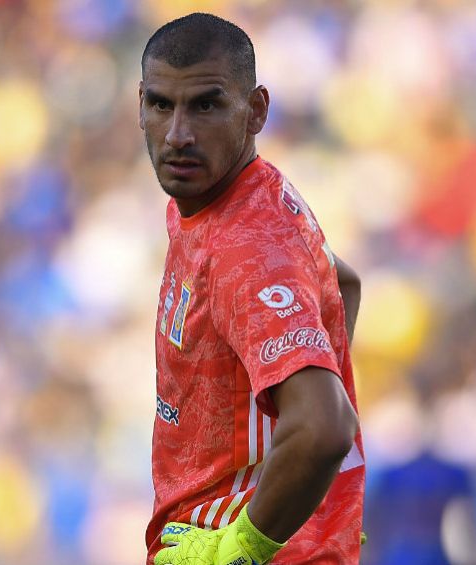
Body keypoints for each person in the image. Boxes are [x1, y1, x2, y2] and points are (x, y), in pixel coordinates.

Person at [140, 12, 366, 565]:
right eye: (161, 105)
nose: (178, 134)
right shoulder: (222, 201)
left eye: (207, 105)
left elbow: (323, 428)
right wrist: (319, 502)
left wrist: (240, 549)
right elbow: (342, 283)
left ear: (257, 109)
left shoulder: (246, 249)